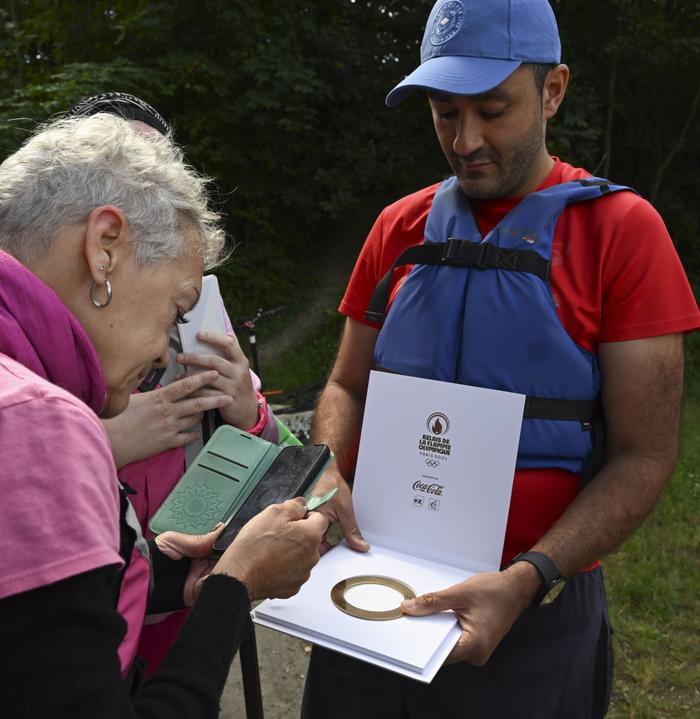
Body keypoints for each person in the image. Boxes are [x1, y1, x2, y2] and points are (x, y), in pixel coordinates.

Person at [303, 1, 700, 717]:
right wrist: (325, 465)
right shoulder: (399, 227)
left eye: (493, 109)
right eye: (444, 112)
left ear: (552, 91)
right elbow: (344, 386)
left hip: (533, 611)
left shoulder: (623, 233)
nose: (465, 139)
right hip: (368, 595)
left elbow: (646, 453)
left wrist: (528, 576)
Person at [0, 112, 327, 718]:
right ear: (105, 249)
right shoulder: (37, 420)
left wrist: (179, 586)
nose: (162, 352)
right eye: (178, 310)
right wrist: (234, 587)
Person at [65, 91, 281, 676]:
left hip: (182, 591)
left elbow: (274, 447)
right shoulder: (40, 313)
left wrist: (248, 410)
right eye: (129, 175)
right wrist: (105, 440)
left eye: (163, 174)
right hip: (89, 608)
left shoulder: (198, 302)